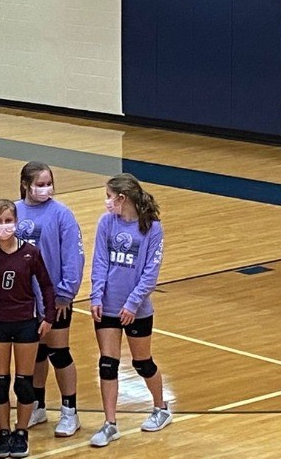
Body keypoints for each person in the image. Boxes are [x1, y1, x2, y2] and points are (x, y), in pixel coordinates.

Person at [89, 174, 171, 447]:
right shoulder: (106, 223)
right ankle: (110, 423)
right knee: (107, 364)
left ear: (122, 198)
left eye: (109, 196)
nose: (107, 202)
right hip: (108, 306)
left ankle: (161, 408)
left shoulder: (152, 228)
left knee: (142, 363)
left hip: (136, 309)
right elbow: (100, 260)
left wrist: (132, 303)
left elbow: (150, 273)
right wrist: (96, 295)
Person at [15, 162, 84, 437]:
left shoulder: (62, 214)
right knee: (36, 353)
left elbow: (73, 255)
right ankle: (37, 406)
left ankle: (70, 412)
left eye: (48, 183)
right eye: (40, 184)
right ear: (25, 185)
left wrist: (66, 293)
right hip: (23, 299)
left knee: (59, 352)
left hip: (54, 298)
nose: (45, 189)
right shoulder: (15, 211)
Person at [0, 200, 54, 459]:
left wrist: (47, 317)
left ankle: (21, 432)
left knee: (24, 384)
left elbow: (46, 285)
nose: (4, 226)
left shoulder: (30, 252)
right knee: (0, 384)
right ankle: (4, 433)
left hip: (26, 322)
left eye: (8, 220)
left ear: (16, 222)